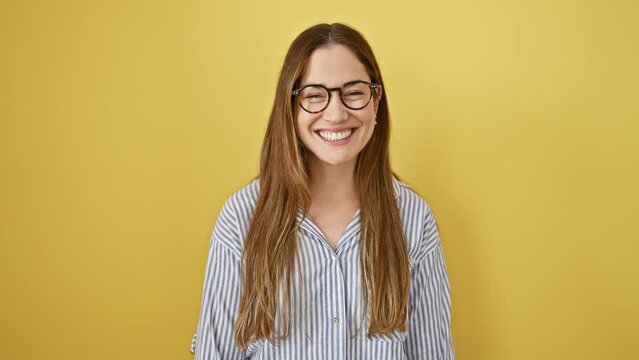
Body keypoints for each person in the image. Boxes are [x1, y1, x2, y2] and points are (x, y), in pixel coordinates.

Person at [191, 23, 455, 359]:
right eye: (315, 95)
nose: (336, 113)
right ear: (291, 107)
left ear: (376, 101)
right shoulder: (241, 218)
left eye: (354, 92)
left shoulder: (413, 218)